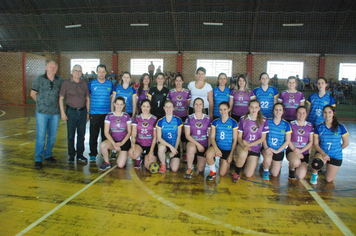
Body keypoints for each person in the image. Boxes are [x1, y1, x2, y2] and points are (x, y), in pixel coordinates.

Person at [31, 60, 63, 169]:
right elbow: (33, 94)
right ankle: (38, 159)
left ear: (57, 68)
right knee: (40, 136)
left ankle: (48, 154)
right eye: (50, 67)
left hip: (55, 113)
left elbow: (61, 96)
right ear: (46, 67)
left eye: (54, 67)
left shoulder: (60, 80)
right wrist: (41, 104)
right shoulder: (39, 79)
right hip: (41, 113)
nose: (52, 69)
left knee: (52, 137)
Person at [310, 105, 349, 184]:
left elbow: (346, 143)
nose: (327, 114)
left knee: (328, 179)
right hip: (322, 153)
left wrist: (335, 150)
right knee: (316, 164)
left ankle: (329, 169)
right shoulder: (319, 127)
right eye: (325, 112)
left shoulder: (340, 127)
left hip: (335, 155)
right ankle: (314, 175)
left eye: (329, 112)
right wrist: (323, 153)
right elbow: (316, 144)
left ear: (333, 113)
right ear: (323, 114)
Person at [59, 64, 90, 164]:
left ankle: (80, 155)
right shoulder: (66, 83)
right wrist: (62, 113)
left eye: (79, 71)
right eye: (76, 70)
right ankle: (71, 155)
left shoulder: (84, 83)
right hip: (71, 112)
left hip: (82, 112)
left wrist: (88, 112)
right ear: (72, 72)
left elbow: (88, 98)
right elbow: (61, 99)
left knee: (81, 135)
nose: (77, 73)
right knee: (71, 135)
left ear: (82, 73)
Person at [232, 100, 269, 182]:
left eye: (256, 107)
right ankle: (236, 173)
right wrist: (244, 145)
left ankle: (245, 162)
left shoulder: (264, 120)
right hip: (243, 146)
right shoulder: (243, 119)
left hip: (254, 148)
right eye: (251, 107)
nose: (253, 109)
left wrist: (249, 145)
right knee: (243, 153)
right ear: (248, 107)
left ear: (259, 108)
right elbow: (239, 137)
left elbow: (263, 139)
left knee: (248, 174)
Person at [205, 102, 238, 180]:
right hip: (217, 146)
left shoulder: (233, 123)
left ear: (229, 109)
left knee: (222, 174)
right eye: (221, 110)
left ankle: (224, 163)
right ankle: (213, 172)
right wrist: (216, 149)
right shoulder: (215, 122)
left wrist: (231, 155)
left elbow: (235, 140)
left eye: (225, 109)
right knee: (208, 155)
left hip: (227, 149)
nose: (223, 112)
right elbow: (212, 137)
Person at [88, 64, 114, 163]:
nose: (101, 73)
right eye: (100, 71)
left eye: (103, 71)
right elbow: (89, 97)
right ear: (96, 72)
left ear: (106, 73)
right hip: (94, 113)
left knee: (105, 135)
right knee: (93, 135)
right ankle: (93, 154)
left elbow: (112, 98)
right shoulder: (91, 84)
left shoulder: (110, 84)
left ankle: (105, 153)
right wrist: (88, 111)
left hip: (106, 114)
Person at [99, 97, 132, 171]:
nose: (119, 106)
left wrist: (122, 143)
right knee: (102, 145)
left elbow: (129, 132)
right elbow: (106, 132)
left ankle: (123, 155)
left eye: (121, 104)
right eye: (117, 104)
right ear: (114, 104)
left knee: (120, 165)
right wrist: (114, 143)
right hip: (113, 141)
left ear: (123, 105)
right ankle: (107, 162)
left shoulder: (127, 116)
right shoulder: (109, 116)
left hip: (124, 142)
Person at [261, 103, 291, 181]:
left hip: (279, 150)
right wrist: (266, 148)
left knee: (274, 174)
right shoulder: (267, 121)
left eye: (280, 110)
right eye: (276, 110)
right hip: (268, 148)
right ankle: (265, 170)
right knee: (267, 160)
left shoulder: (286, 124)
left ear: (283, 111)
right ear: (273, 111)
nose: (278, 112)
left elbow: (287, 140)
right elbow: (263, 137)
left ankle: (272, 164)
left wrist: (278, 151)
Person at [184, 98, 212, 178]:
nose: (198, 106)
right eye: (196, 104)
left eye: (200, 104)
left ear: (203, 106)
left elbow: (210, 135)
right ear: (193, 106)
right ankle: (189, 168)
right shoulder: (189, 118)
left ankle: (196, 160)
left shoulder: (208, 118)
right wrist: (198, 145)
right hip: (193, 144)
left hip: (204, 146)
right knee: (191, 149)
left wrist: (208, 148)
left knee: (200, 169)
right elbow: (187, 135)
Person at [167, 74, 191, 160]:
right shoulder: (171, 92)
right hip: (173, 117)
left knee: (183, 135)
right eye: (176, 80)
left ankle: (184, 152)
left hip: (183, 116)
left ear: (182, 82)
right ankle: (173, 150)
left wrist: (183, 109)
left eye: (180, 80)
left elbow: (187, 104)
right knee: (174, 134)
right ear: (174, 82)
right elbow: (168, 104)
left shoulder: (187, 92)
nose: (178, 82)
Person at [128, 99, 158, 170]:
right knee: (132, 153)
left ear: (150, 107)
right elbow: (134, 133)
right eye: (144, 106)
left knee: (148, 166)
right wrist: (132, 146)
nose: (145, 108)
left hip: (150, 145)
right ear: (141, 107)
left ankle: (146, 156)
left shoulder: (154, 118)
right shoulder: (137, 118)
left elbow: (155, 137)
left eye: (147, 106)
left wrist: (151, 152)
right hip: (140, 144)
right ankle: (138, 157)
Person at [286, 106, 313, 180]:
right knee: (295, 162)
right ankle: (291, 168)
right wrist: (296, 150)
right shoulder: (291, 124)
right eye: (299, 113)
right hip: (292, 150)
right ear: (296, 114)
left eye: (303, 113)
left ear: (306, 114)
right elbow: (288, 140)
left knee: (300, 176)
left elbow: (311, 142)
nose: (301, 115)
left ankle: (299, 166)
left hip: (304, 153)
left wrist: (301, 151)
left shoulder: (310, 126)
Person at [156, 100, 183, 173]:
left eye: (170, 107)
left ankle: (168, 158)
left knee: (174, 169)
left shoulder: (178, 120)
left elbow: (178, 136)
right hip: (165, 144)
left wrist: (174, 150)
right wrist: (170, 147)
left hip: (175, 145)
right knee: (161, 148)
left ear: (173, 108)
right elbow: (159, 138)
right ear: (164, 108)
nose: (168, 109)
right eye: (166, 107)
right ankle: (163, 165)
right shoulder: (160, 121)